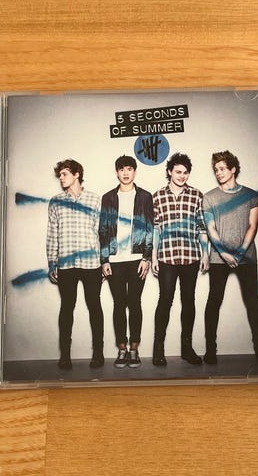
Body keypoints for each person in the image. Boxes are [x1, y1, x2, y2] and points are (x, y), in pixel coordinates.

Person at [202, 150, 258, 364]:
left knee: (252, 300)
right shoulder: (209, 197)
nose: (218, 173)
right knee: (214, 300)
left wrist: (239, 253)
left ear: (233, 169)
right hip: (218, 256)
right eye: (216, 170)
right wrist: (223, 252)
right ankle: (210, 350)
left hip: (246, 257)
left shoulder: (251, 195)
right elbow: (210, 228)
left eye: (222, 169)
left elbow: (252, 226)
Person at [151, 152, 209, 366]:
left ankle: (187, 348)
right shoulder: (158, 196)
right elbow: (155, 229)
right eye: (178, 172)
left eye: (185, 172)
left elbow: (202, 227)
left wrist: (205, 253)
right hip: (166, 256)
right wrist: (153, 256)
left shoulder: (197, 195)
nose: (182, 176)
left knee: (188, 301)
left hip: (190, 255)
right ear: (169, 172)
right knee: (165, 301)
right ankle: (158, 349)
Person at [47, 159, 104, 370]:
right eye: (60, 175)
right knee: (67, 308)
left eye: (64, 173)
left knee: (94, 306)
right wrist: (52, 262)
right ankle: (65, 356)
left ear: (77, 174)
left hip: (92, 263)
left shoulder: (94, 199)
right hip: (66, 263)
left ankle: (98, 354)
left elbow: (102, 233)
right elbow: (52, 234)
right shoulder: (55, 201)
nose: (61, 178)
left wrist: (104, 262)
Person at [99, 155, 153, 368]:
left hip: (137, 258)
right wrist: (104, 259)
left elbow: (150, 228)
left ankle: (134, 348)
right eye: (122, 169)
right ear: (117, 172)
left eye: (129, 169)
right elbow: (103, 229)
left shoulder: (145, 196)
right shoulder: (108, 198)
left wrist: (146, 257)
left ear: (135, 171)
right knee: (119, 304)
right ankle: (122, 349)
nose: (126, 173)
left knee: (135, 303)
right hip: (115, 259)